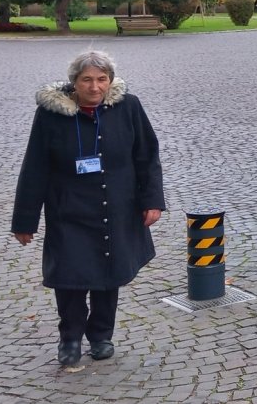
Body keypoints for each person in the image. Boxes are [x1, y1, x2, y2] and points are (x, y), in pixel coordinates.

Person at [11, 50, 165, 367]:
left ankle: (100, 336)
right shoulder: (51, 115)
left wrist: (152, 200)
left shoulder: (128, 107)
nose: (95, 87)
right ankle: (69, 338)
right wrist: (25, 220)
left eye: (101, 79)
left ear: (109, 81)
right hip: (69, 210)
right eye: (87, 80)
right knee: (69, 278)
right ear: (74, 83)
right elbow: (35, 167)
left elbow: (146, 155)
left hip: (117, 207)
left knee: (108, 276)